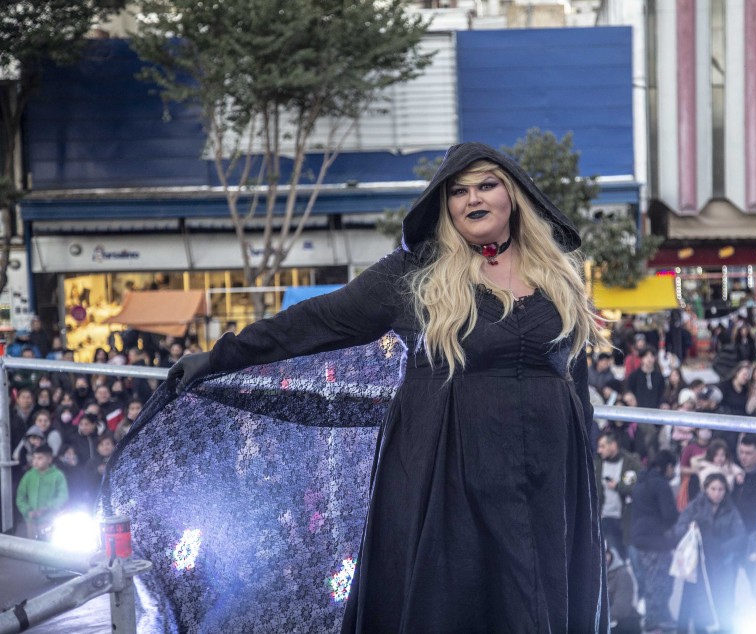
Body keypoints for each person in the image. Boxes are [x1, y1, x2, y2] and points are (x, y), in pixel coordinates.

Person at [168, 142, 610, 632]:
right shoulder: (413, 276)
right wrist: (220, 356)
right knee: (456, 600)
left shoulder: (559, 275)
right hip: (451, 474)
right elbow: (320, 320)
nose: (472, 199)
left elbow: (576, 378)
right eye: (458, 192)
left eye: (487, 185)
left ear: (515, 196)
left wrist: (584, 468)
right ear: (444, 207)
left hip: (549, 475)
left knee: (537, 596)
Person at [674, 472, 745, 634]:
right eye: (713, 489)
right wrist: (689, 528)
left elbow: (740, 535)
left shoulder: (730, 509)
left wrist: (722, 548)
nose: (717, 493)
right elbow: (678, 529)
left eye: (721, 489)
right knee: (692, 601)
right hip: (697, 563)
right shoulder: (695, 506)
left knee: (722, 600)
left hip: (721, 563)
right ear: (706, 489)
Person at [628, 450, 679, 633]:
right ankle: (655, 623)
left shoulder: (641, 483)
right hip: (656, 542)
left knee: (649, 581)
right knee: (660, 583)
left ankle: (658, 620)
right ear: (669, 466)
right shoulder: (660, 484)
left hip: (638, 540)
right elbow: (670, 515)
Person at [595, 431, 641, 556]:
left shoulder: (631, 463)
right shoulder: (597, 465)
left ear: (613, 445)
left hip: (626, 519)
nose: (599, 450)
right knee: (613, 556)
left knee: (631, 557)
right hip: (605, 518)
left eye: (602, 446)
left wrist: (618, 486)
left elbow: (637, 488)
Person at [16, 444, 68, 539]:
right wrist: (27, 511)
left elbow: (63, 496)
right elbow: (20, 496)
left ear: (49, 459)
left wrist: (48, 508)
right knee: (32, 548)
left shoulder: (57, 475)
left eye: (39, 458)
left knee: (50, 547)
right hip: (31, 521)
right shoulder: (29, 476)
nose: (35, 461)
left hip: (51, 519)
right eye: (34, 458)